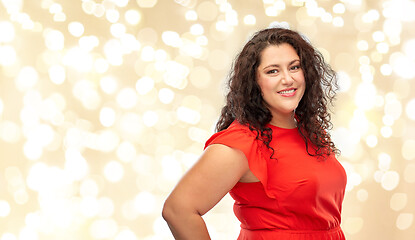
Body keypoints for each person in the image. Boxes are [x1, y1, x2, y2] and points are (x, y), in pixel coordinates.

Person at [162, 27, 347, 240]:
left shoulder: (310, 132)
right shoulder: (242, 142)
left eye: (294, 67)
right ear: (255, 82)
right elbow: (178, 210)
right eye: (272, 71)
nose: (288, 79)